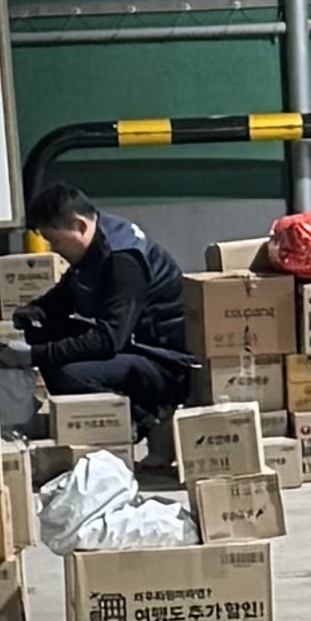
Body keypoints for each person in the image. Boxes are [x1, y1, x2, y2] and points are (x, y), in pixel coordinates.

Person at [14, 189, 196, 452]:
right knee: (43, 334)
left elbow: (108, 340)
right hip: (132, 346)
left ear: (79, 225)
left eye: (55, 240)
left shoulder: (124, 260)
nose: (54, 249)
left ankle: (146, 419)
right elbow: (66, 295)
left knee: (66, 374)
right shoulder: (96, 241)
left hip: (163, 363)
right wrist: (35, 312)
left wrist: (33, 356)